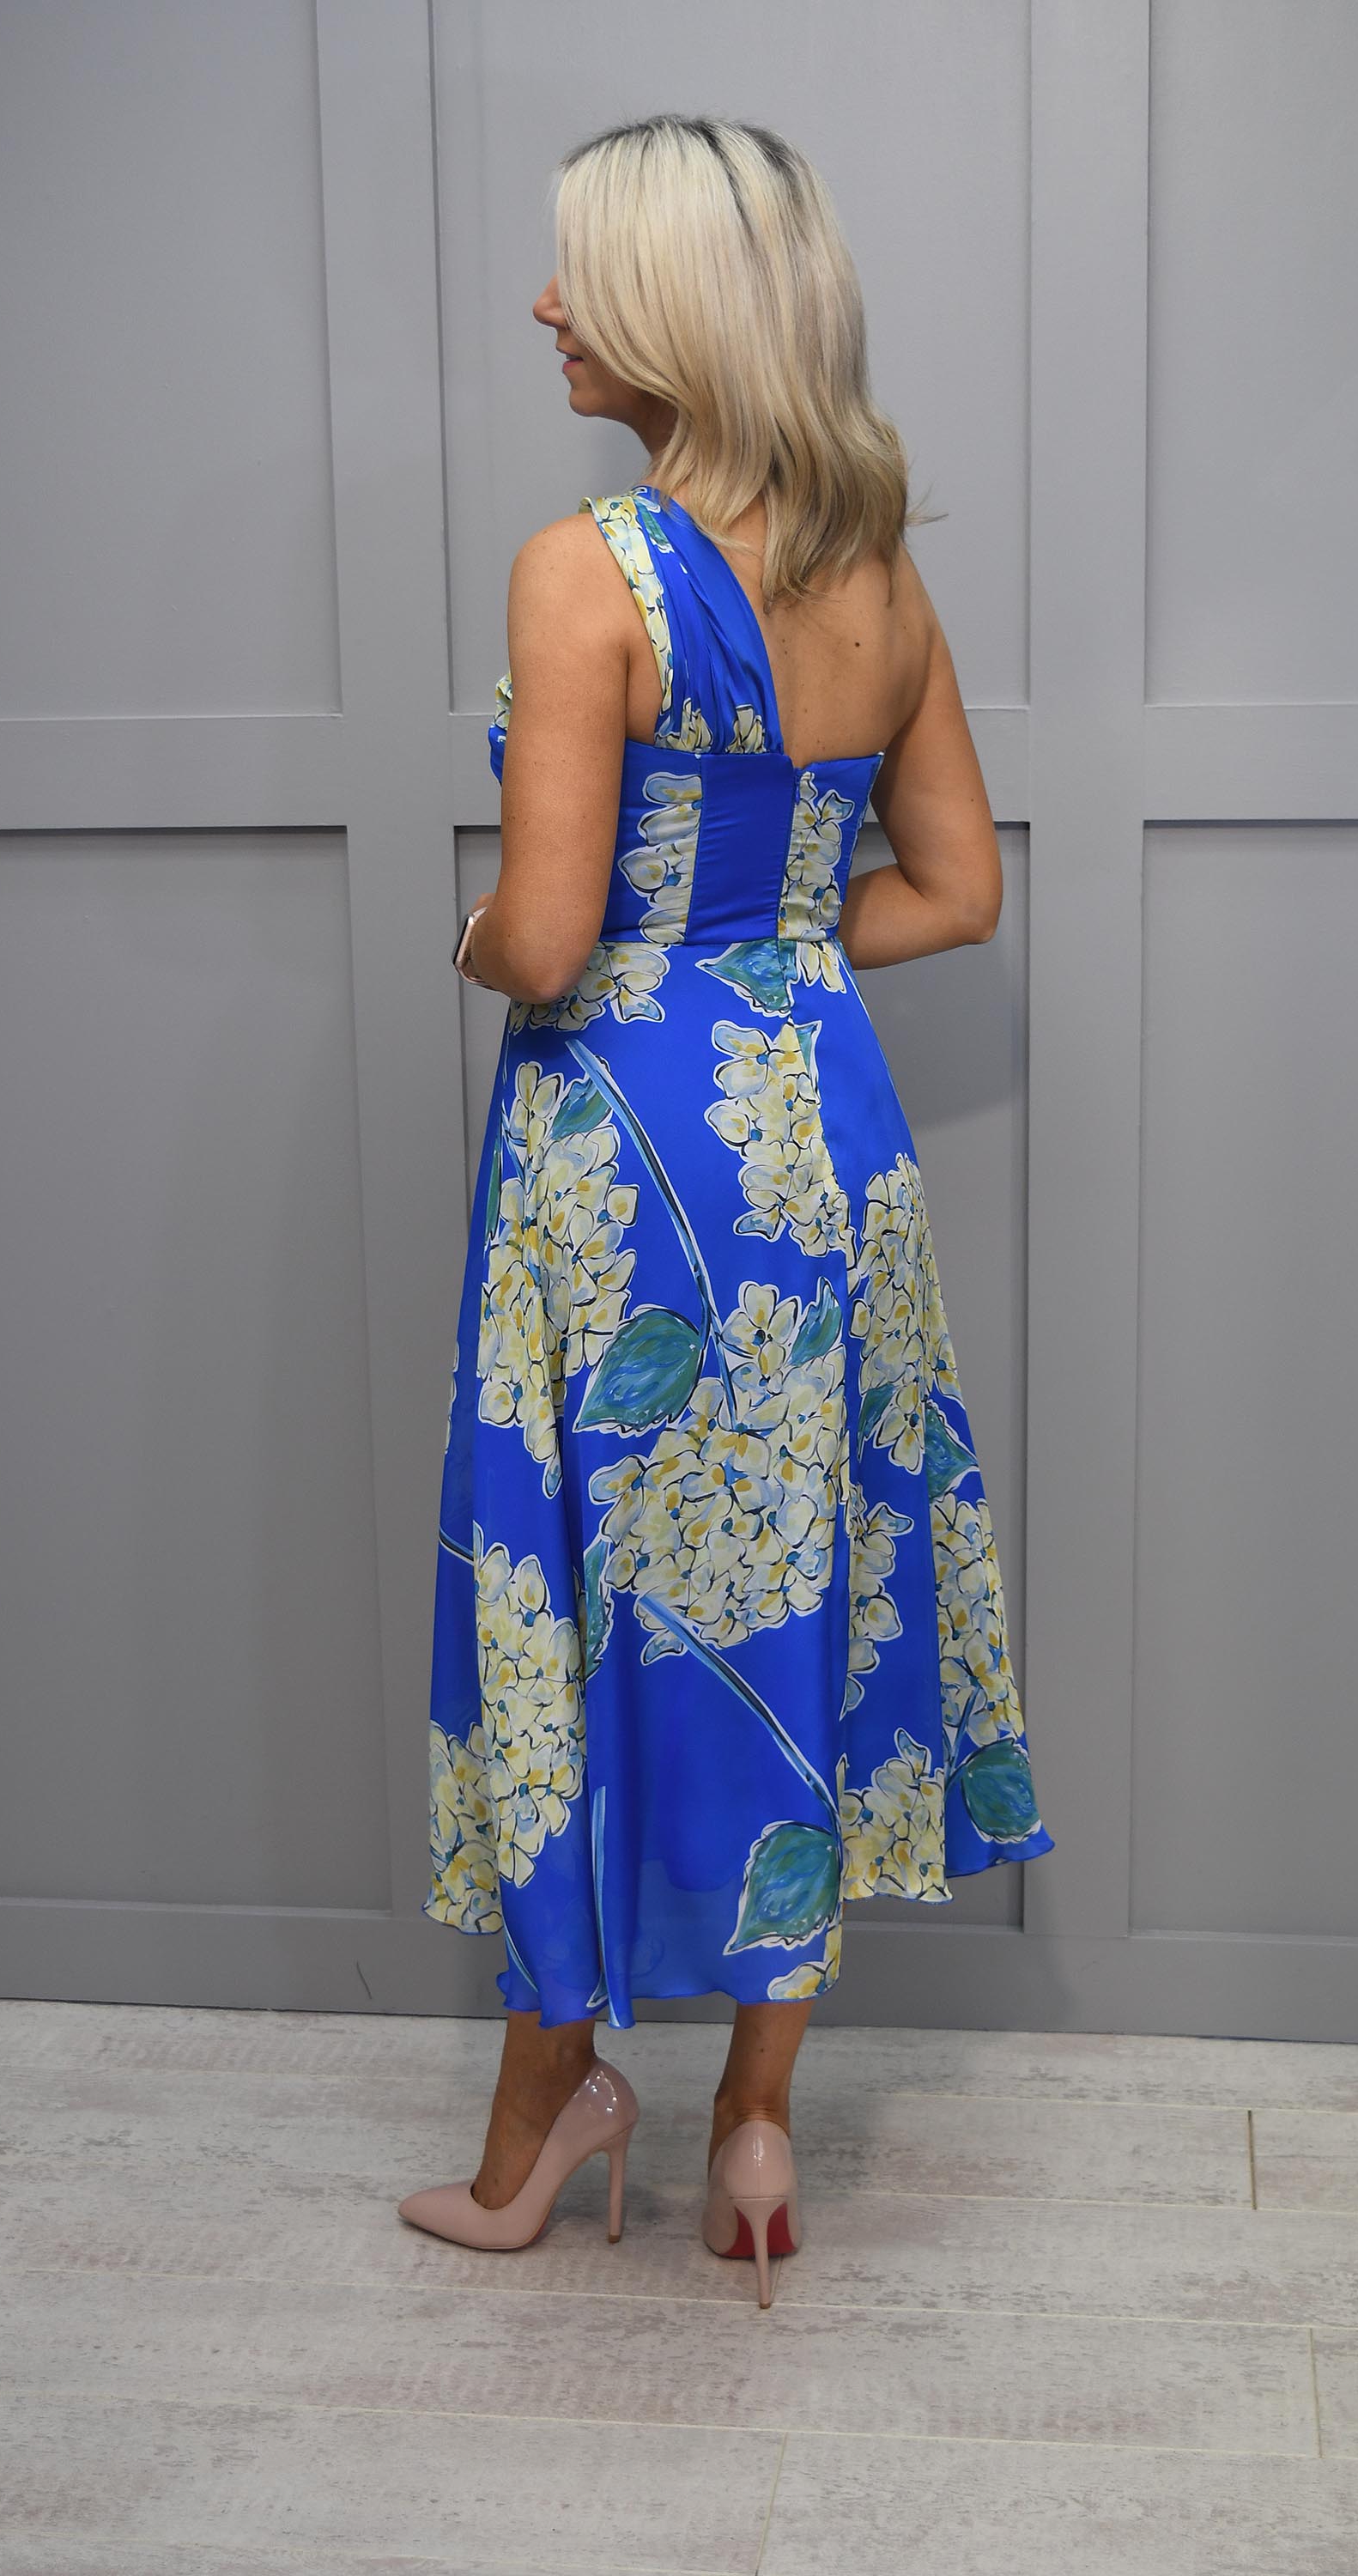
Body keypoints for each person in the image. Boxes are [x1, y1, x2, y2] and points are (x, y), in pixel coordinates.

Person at [400, 113, 1054, 2306]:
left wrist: (474, 933)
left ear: (671, 310)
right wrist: (762, 943)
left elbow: (549, 939)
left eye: (578, 272)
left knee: (585, 1594)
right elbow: (954, 892)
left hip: (628, 1159)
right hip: (816, 1145)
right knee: (797, 1581)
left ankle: (538, 2124)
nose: (546, 305)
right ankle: (754, 2124)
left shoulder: (582, 571)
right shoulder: (878, 576)